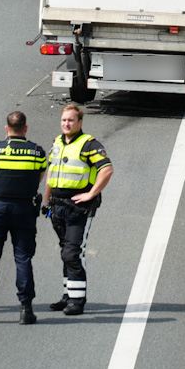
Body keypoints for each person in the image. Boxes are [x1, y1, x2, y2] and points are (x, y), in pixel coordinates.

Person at [0, 110, 49, 325]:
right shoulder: (37, 153)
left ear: (6, 128)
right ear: (26, 128)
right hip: (24, 210)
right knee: (23, 258)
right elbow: (40, 177)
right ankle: (26, 310)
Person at [42, 104, 114, 316]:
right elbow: (51, 174)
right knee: (65, 251)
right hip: (57, 206)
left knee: (72, 252)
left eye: (71, 120)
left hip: (78, 208)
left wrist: (91, 194)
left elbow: (107, 169)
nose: (66, 124)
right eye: (64, 120)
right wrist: (45, 202)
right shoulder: (57, 143)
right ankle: (68, 295)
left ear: (80, 122)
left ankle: (77, 300)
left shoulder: (89, 144)